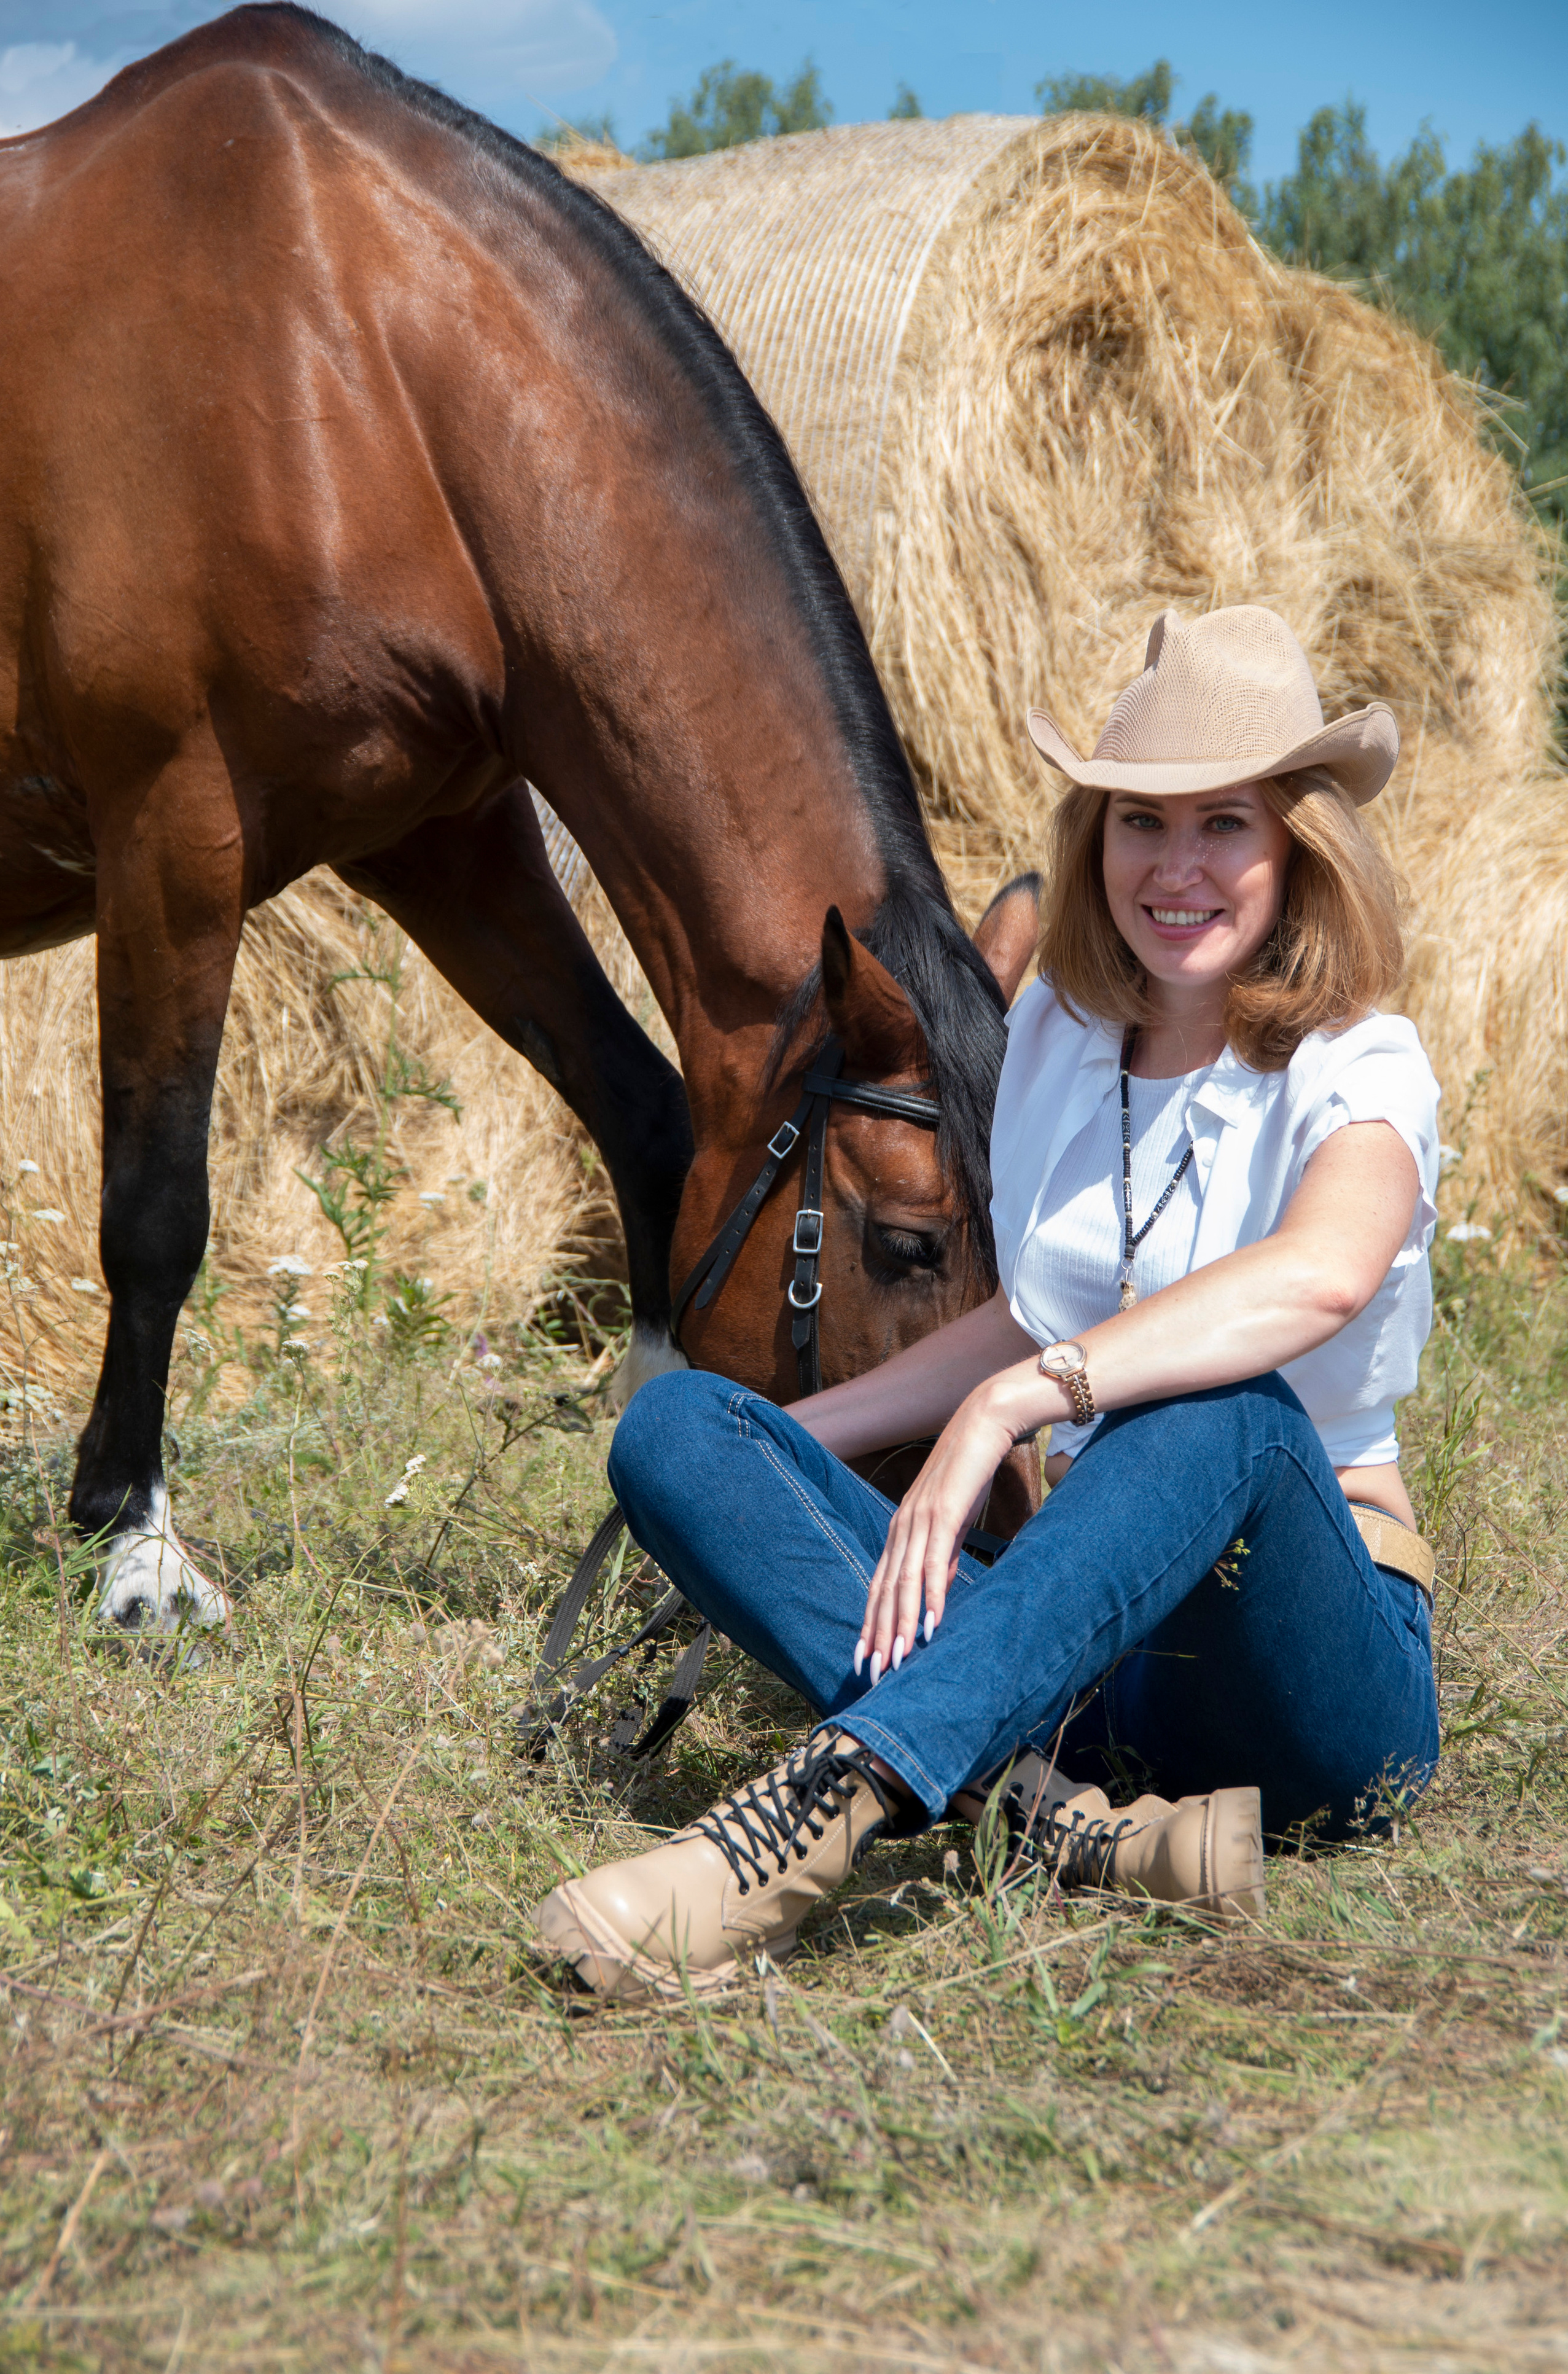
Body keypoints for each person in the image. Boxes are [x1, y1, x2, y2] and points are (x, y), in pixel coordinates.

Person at [536, 606, 1443, 2003]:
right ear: (1095, 842)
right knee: (679, 1428)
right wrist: (786, 1448)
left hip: (1298, 1666)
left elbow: (1314, 1275)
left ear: (1294, 846)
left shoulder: (1358, 1065)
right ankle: (1063, 1822)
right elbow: (1033, 1309)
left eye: (1223, 824)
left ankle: (815, 1814)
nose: (1176, 866)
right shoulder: (1059, 1048)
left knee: (1219, 1406)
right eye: (1140, 822)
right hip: (1086, 1649)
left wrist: (1009, 1406)